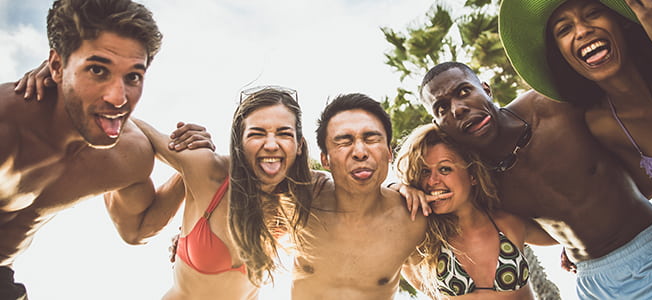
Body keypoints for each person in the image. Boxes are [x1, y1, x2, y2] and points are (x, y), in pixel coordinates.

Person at [412, 61, 652, 299]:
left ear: (486, 88)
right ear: (438, 122)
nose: (458, 108)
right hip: (596, 283)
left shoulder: (555, 107)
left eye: (464, 91)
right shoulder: (476, 180)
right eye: (442, 107)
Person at [0, 1, 208, 298]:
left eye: (133, 76)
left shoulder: (128, 154)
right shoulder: (8, 127)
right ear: (56, 66)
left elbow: (137, 230)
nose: (118, 97)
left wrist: (189, 169)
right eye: (97, 70)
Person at [498, 0, 652, 263]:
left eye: (593, 14)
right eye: (564, 29)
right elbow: (631, 196)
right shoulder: (606, 124)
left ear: (621, 21)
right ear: (560, 54)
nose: (582, 30)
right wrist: (585, 241)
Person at [132, 87, 315, 299]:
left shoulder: (304, 196)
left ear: (299, 145)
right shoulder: (209, 171)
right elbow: (134, 125)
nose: (271, 145)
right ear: (239, 143)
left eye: (284, 133)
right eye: (257, 133)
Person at [394, 123, 556, 299]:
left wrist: (569, 252)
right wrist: (398, 187)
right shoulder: (422, 243)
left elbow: (571, 237)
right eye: (425, 171)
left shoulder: (508, 222)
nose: (432, 181)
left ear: (472, 176)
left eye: (445, 169)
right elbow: (369, 209)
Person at [290, 93, 427, 299]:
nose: (360, 152)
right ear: (325, 160)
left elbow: (440, 286)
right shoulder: (305, 198)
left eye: (371, 139)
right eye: (344, 142)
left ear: (390, 153)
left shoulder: (414, 218)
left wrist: (399, 187)